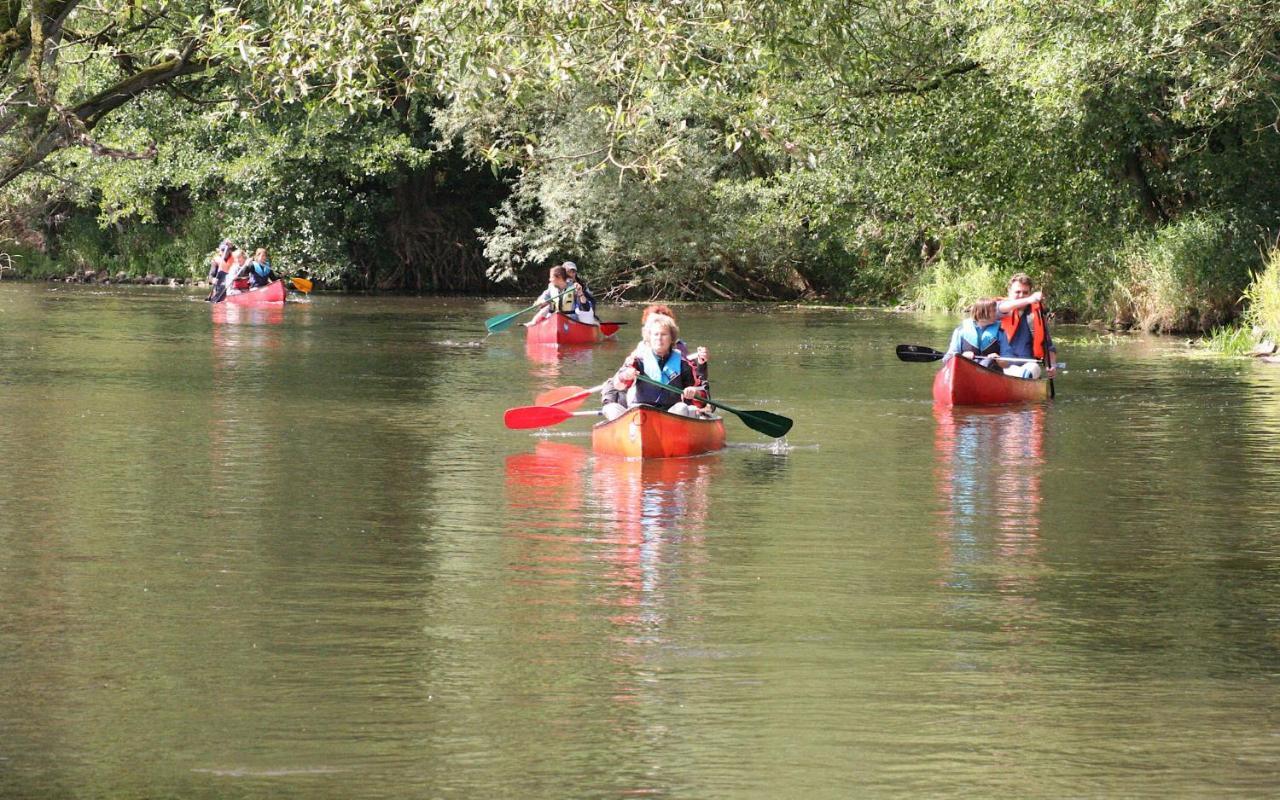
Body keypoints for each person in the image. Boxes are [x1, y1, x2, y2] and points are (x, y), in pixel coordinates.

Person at [602, 314, 710, 420]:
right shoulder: (637, 360)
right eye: (655, 334)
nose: (659, 338)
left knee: (681, 408)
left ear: (671, 339)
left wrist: (695, 392)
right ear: (649, 338)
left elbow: (703, 399)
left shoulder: (684, 364)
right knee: (612, 409)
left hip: (671, 413)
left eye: (664, 334)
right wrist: (626, 376)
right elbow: (618, 385)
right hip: (641, 412)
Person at [997, 273, 1058, 379]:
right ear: (1009, 292)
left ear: (1030, 293)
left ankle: (1023, 379)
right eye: (1017, 292)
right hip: (1001, 366)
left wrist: (1052, 365)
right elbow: (1001, 308)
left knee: (1033, 368)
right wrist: (1029, 299)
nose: (1021, 295)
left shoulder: (1036, 314)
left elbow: (1049, 346)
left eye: (1025, 293)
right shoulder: (1000, 308)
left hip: (1028, 367)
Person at [942, 298, 1005, 367]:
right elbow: (947, 359)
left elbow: (1008, 362)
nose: (997, 313)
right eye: (994, 310)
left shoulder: (1000, 332)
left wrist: (999, 359)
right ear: (983, 312)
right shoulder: (960, 331)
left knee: (988, 362)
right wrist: (961, 356)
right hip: (966, 369)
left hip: (992, 369)